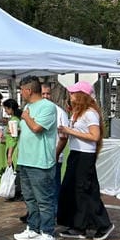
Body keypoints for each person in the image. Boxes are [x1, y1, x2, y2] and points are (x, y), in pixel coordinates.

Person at [57, 81, 115, 240]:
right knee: (74, 189)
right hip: (76, 154)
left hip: (85, 156)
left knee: (85, 191)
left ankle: (103, 224)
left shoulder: (90, 113)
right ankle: (79, 225)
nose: (70, 95)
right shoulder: (77, 113)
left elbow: (95, 136)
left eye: (73, 93)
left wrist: (70, 130)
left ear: (81, 95)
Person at [13, 76, 59, 240]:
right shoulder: (28, 107)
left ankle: (48, 234)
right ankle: (33, 228)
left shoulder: (47, 107)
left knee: (44, 200)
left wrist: (25, 117)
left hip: (41, 162)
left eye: (21, 90)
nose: (21, 93)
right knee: (30, 198)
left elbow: (37, 128)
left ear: (28, 90)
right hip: (25, 160)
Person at [42, 83, 69, 214]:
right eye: (43, 94)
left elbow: (64, 137)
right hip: (38, 157)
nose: (46, 96)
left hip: (53, 157)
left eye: (48, 93)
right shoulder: (33, 110)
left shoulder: (59, 112)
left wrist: (56, 154)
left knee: (53, 187)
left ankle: (56, 213)